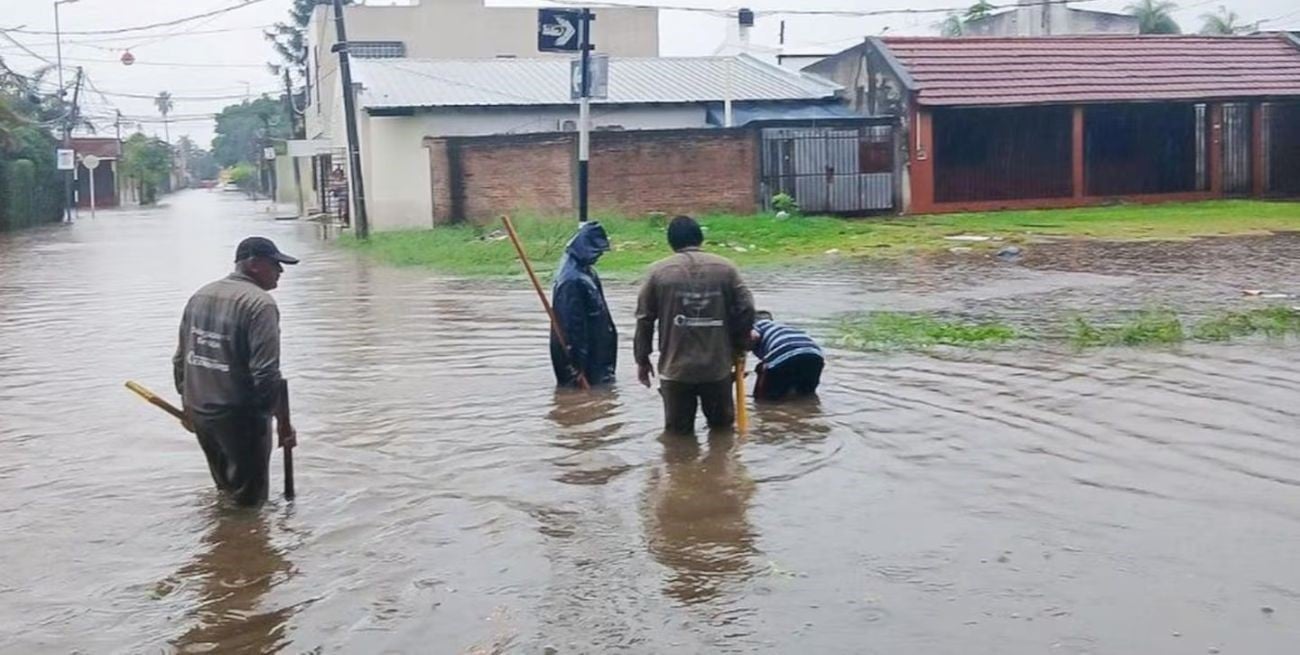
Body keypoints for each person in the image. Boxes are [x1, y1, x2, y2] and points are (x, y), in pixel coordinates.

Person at [173, 236, 298, 508]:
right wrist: (279, 421)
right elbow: (266, 373)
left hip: (202, 412)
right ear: (253, 265)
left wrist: (187, 404)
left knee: (227, 491)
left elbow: (181, 359)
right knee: (250, 505)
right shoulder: (260, 304)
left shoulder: (201, 294)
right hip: (240, 419)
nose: (280, 271)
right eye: (275, 264)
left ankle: (227, 542)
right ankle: (246, 546)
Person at [634, 216, 755, 434]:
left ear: (671, 242)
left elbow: (644, 319)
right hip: (717, 368)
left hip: (676, 369)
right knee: (722, 433)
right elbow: (747, 307)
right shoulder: (726, 269)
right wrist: (739, 344)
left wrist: (642, 359)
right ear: (700, 238)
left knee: (678, 437)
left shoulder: (657, 272)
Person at [551, 221, 617, 387]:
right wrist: (577, 366)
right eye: (598, 251)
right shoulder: (571, 280)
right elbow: (571, 327)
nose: (599, 255)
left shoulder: (585, 271)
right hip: (586, 362)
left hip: (597, 356)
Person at [750, 310, 824, 401]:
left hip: (785, 352)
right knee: (806, 396)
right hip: (814, 354)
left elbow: (754, 335)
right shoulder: (782, 326)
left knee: (766, 399)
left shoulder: (756, 325)